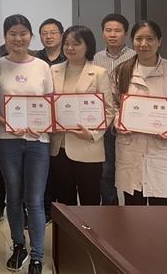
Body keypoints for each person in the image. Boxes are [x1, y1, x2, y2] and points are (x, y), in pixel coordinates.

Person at [0, 15, 52, 274]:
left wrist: (42, 125)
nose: (18, 38)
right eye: (12, 33)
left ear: (31, 36)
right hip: (7, 140)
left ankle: (37, 256)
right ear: (5, 37)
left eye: (23, 33)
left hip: (38, 140)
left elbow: (50, 104)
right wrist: (5, 122)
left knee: (34, 199)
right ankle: (18, 245)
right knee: (13, 195)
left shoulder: (42, 67)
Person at [113, 20, 167, 206]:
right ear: (132, 41)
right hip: (131, 151)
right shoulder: (122, 71)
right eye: (139, 39)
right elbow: (111, 105)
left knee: (162, 214)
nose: (144, 44)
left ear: (159, 41)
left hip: (162, 153)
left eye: (150, 39)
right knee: (133, 212)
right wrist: (118, 121)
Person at [49, 25, 114, 207]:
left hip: (88, 147)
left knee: (90, 202)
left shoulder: (99, 73)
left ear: (88, 46)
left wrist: (93, 134)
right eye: (66, 43)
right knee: (65, 201)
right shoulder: (53, 71)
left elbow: (108, 110)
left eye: (76, 44)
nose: (70, 48)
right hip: (59, 147)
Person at [93, 14, 136, 206]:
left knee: (129, 169)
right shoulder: (96, 58)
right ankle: (110, 209)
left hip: (129, 122)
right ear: (103, 32)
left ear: (126, 33)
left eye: (117, 30)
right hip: (104, 122)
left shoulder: (135, 57)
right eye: (108, 30)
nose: (112, 34)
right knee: (106, 169)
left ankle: (130, 210)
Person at [36, 18, 67, 222]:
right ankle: (46, 210)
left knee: (60, 169)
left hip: (64, 124)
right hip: (39, 122)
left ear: (61, 35)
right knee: (43, 170)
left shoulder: (69, 58)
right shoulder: (34, 60)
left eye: (53, 32)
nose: (49, 37)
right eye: (44, 33)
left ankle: (62, 212)